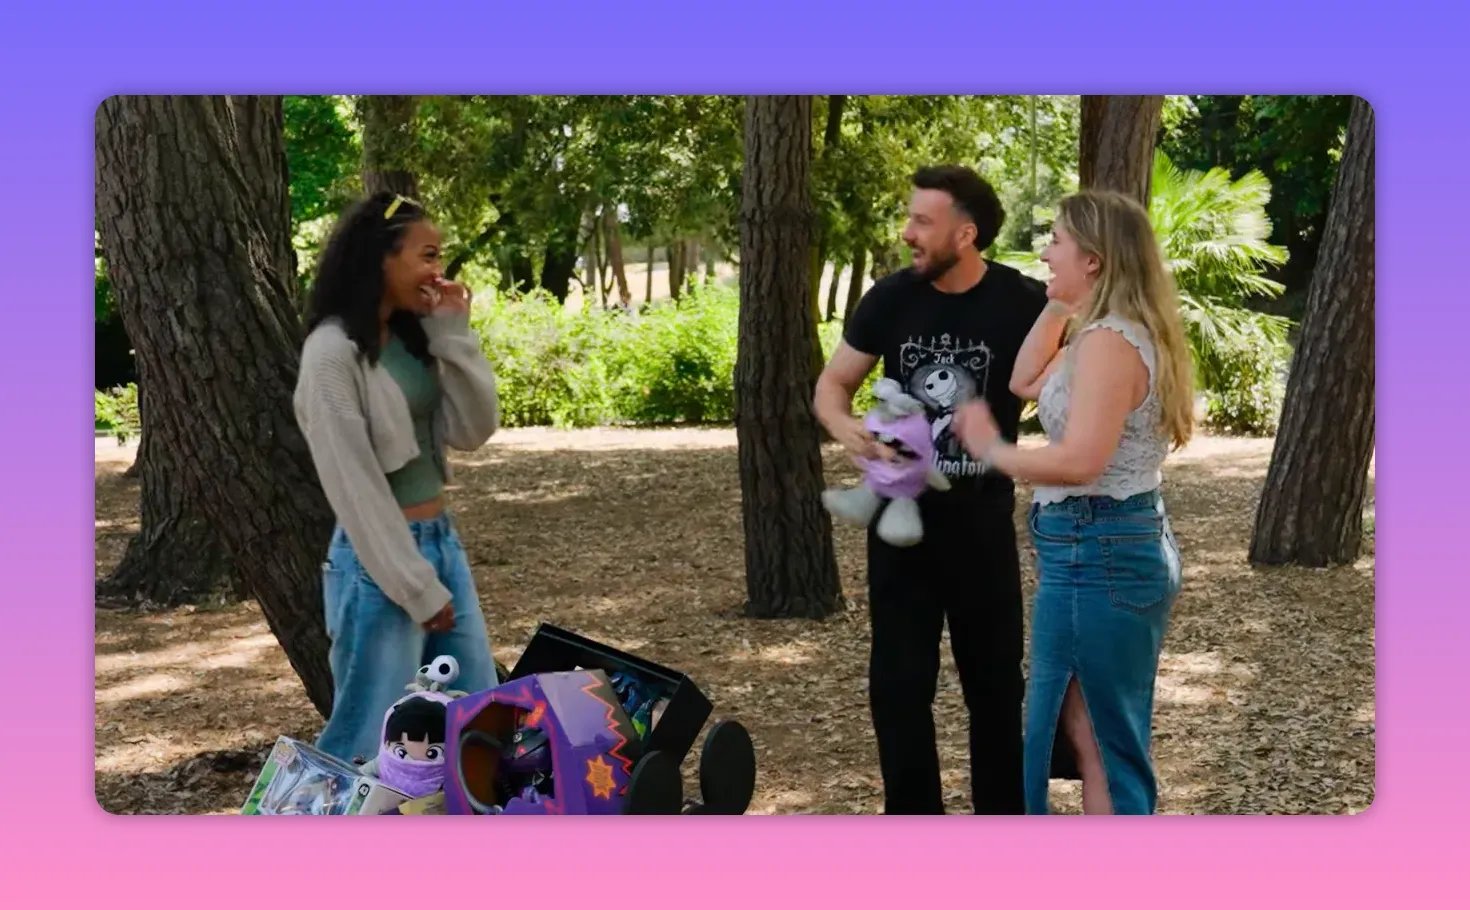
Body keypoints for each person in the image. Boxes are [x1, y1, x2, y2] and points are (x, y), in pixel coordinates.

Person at [814, 165, 1047, 814]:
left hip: (983, 527)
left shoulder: (1023, 303)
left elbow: (1064, 391)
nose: (907, 232)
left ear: (965, 234)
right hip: (902, 525)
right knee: (898, 688)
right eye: (909, 217)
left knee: (997, 690)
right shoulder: (890, 298)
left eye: (923, 220)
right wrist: (850, 430)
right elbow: (833, 387)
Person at [952, 189, 1193, 815]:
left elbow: (1082, 460)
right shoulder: (1099, 333)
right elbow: (1022, 380)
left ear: (1095, 257)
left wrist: (993, 450)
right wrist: (1059, 302)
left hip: (1102, 551)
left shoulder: (1111, 343)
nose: (1044, 250)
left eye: (1056, 240)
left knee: (1105, 745)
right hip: (1097, 548)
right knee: (1088, 737)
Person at [293, 192, 502, 765]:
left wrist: (454, 333)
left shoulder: (414, 341)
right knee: (370, 736)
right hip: (378, 563)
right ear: (380, 258)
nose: (438, 271)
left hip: (441, 542)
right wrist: (412, 584)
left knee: (476, 714)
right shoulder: (331, 353)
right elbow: (353, 487)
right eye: (426, 256)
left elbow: (474, 428)